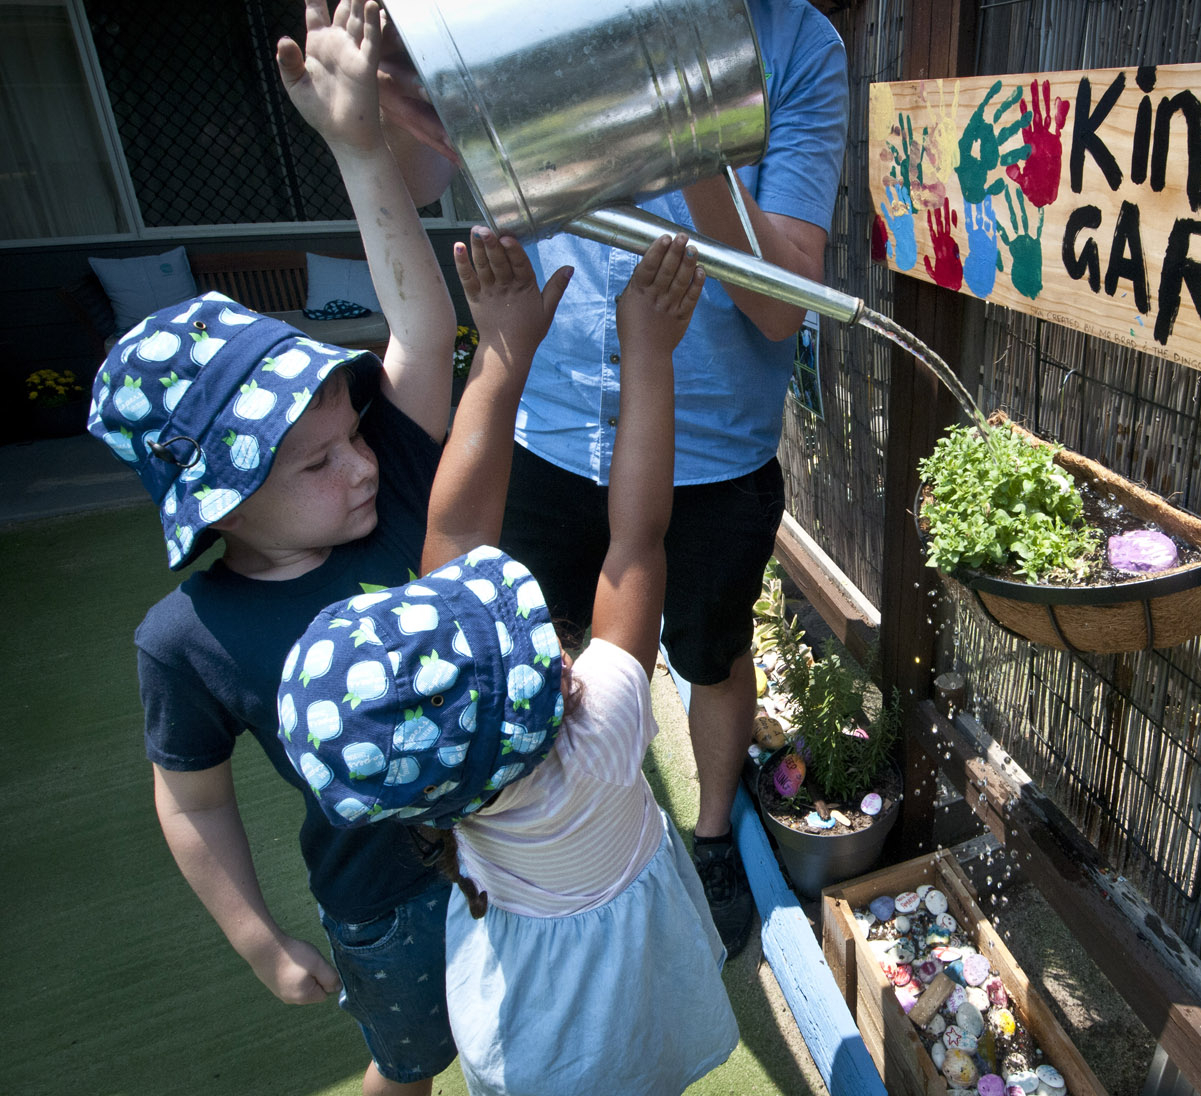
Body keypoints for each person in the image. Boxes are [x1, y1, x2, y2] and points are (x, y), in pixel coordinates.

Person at [85, 4, 506, 1093]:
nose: (360, 465)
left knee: (540, 1039)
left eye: (352, 431)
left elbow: (416, 331)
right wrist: (257, 938)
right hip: (382, 904)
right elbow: (194, 797)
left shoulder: (402, 476)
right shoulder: (190, 639)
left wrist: (362, 147)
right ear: (220, 508)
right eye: (313, 463)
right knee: (407, 1069)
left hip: (519, 848)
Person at [378, 0, 851, 955]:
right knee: (523, 656)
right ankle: (547, 845)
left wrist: (689, 131)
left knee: (709, 654)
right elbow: (425, 167)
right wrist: (383, 82)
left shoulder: (798, 44)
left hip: (714, 446)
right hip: (550, 424)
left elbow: (778, 309)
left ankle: (712, 834)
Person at [277, 229, 738, 1095]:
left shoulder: (442, 780)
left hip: (525, 1022)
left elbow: (456, 534)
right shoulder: (598, 739)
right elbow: (633, 547)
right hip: (629, 984)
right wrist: (644, 352)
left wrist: (504, 349)